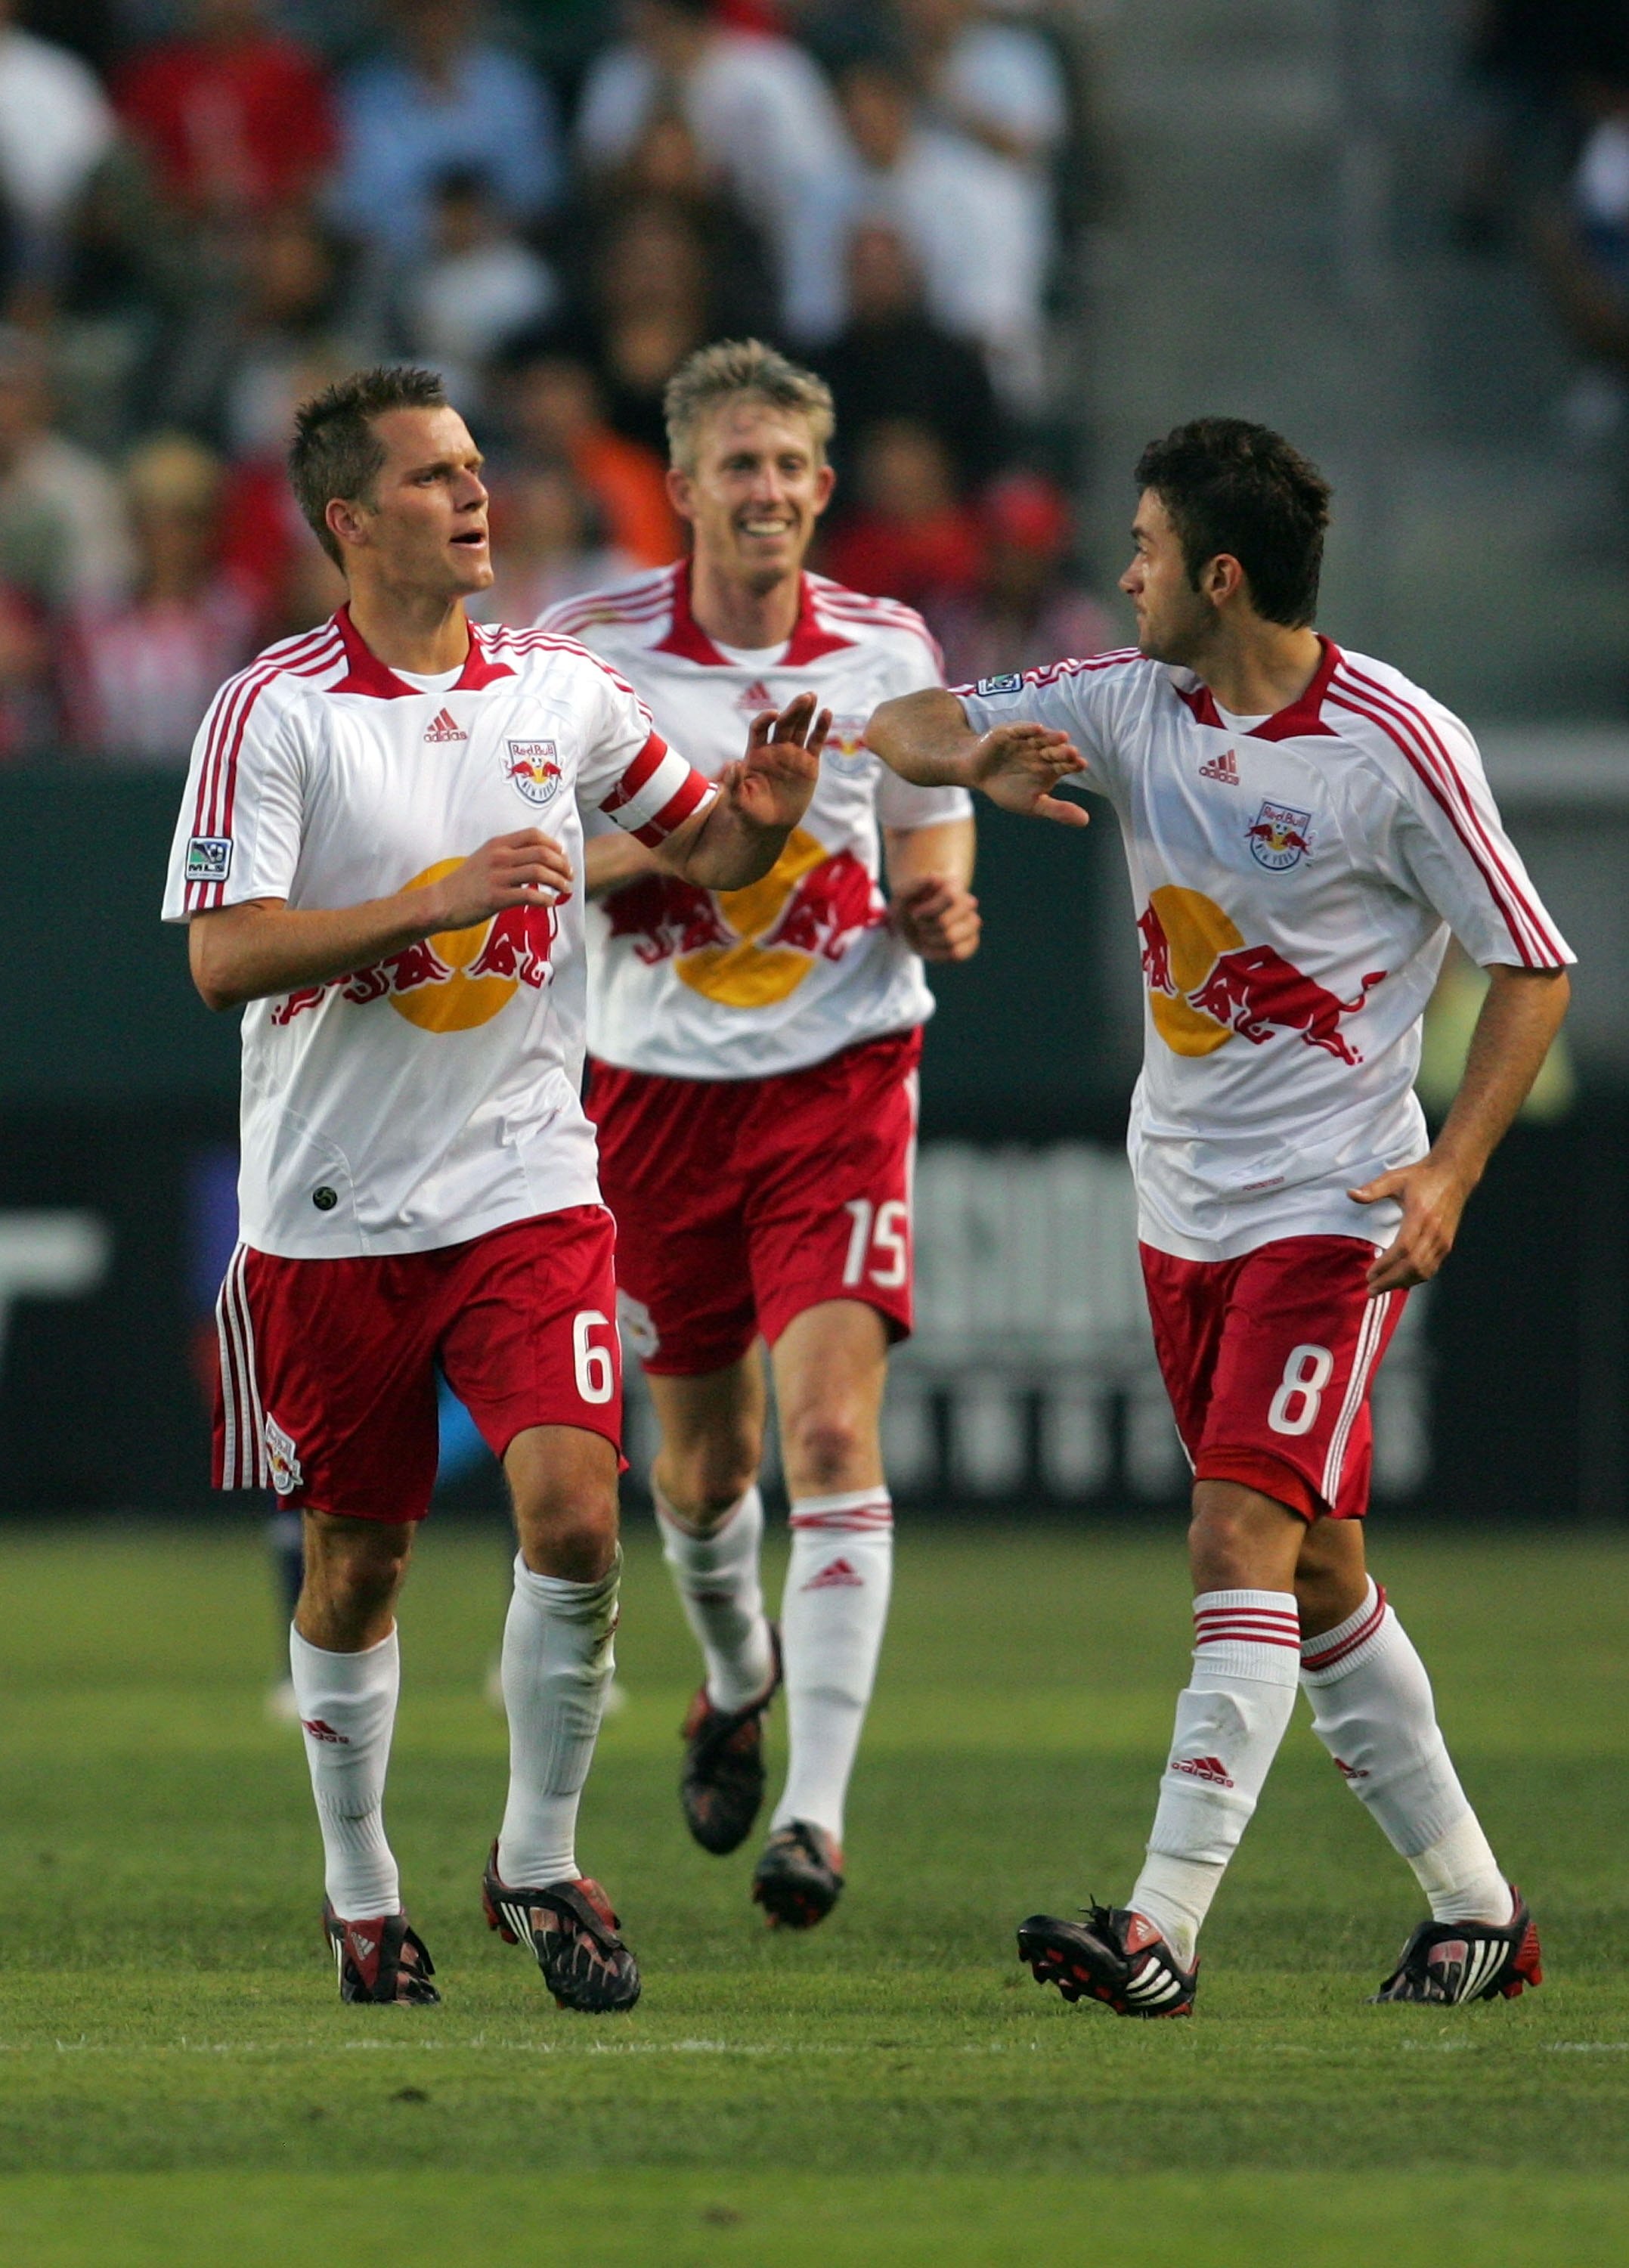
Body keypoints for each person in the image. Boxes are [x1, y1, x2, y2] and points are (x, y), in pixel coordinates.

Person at [866, 416, 1572, 2012]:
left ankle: (1160, 1928)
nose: (1120, 575)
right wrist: (967, 758)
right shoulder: (1125, 704)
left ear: (1220, 574)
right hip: (1177, 1200)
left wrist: (1450, 1169)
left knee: (1231, 1536)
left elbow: (1534, 963)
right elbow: (899, 719)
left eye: (1141, 550)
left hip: (1333, 1205)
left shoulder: (1396, 741)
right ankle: (1475, 1912)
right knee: (1314, 1568)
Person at [159, 363, 827, 2010]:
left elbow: (704, 849)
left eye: (474, 469)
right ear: (347, 520)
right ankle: (363, 1889)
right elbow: (224, 957)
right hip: (329, 1215)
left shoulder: (560, 691)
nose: (475, 497)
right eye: (434, 477)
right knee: (359, 1562)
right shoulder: (274, 711)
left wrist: (757, 823)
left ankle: (537, 1858)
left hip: (528, 1182)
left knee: (579, 1517)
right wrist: (437, 897)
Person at [537, 339, 977, 1927]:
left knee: (833, 1438)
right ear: (682, 487)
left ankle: (813, 1816)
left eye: (792, 466)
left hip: (836, 1079)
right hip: (646, 1094)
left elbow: (932, 858)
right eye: (740, 465)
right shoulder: (580, 655)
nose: (769, 492)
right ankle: (735, 1677)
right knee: (699, 1474)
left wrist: (939, 906)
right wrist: (718, 837)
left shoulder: (885, 650)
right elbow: (533, 866)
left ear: (824, 486)